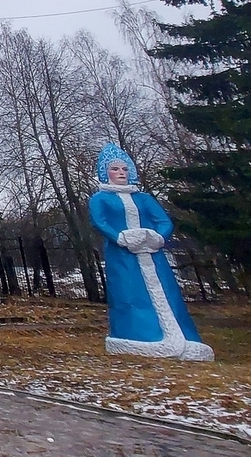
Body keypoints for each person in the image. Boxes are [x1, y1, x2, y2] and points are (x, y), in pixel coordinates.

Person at [88, 144, 212, 361]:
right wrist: (120, 238)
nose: (121, 173)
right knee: (128, 292)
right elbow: (100, 222)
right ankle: (137, 336)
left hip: (153, 254)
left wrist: (157, 238)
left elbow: (163, 221)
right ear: (105, 172)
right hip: (122, 256)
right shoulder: (100, 199)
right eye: (115, 169)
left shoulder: (143, 198)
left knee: (166, 291)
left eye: (124, 169)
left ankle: (182, 336)